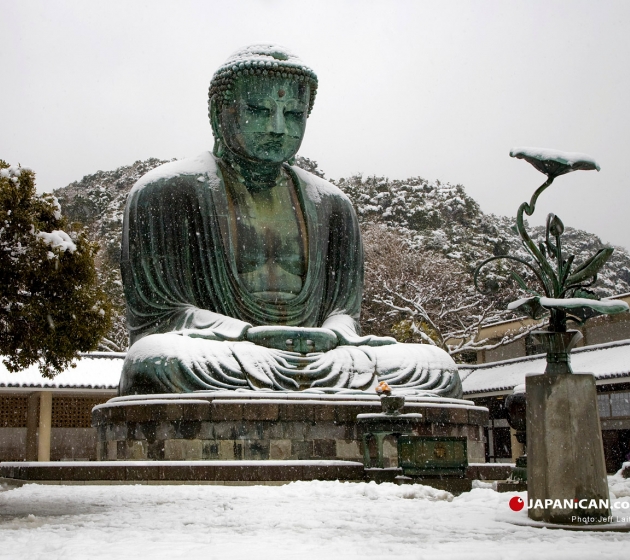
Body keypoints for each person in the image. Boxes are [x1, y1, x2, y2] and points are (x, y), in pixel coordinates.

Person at [118, 44, 462, 398]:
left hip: (322, 357)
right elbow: (160, 316)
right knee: (158, 361)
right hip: (223, 352)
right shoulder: (167, 191)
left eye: (294, 114)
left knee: (436, 367)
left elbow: (344, 313)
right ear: (221, 112)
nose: (278, 127)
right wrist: (247, 335)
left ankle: (301, 384)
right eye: (260, 110)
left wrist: (331, 333)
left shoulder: (332, 204)